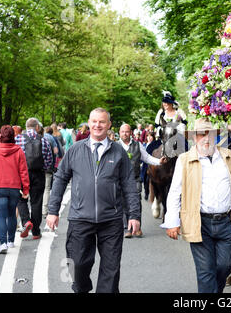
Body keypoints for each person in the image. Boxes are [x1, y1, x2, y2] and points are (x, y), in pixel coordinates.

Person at [161, 117, 231, 293]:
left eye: (209, 134)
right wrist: (172, 221)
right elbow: (175, 192)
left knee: (225, 265)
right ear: (194, 138)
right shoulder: (184, 160)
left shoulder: (227, 155)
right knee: (205, 272)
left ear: (214, 136)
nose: (205, 138)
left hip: (226, 222)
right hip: (200, 222)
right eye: (200, 135)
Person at [47, 108, 141, 293]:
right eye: (94, 121)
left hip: (111, 220)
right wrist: (52, 210)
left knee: (111, 271)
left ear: (109, 125)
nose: (98, 125)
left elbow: (130, 184)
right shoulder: (75, 150)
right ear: (89, 123)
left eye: (102, 122)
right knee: (77, 265)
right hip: (80, 218)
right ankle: (82, 287)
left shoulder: (119, 152)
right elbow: (59, 179)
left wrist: (134, 215)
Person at [117, 124, 165, 238]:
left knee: (136, 202)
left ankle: (137, 227)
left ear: (131, 133)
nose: (125, 134)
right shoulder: (114, 146)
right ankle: (126, 229)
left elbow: (147, 158)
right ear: (119, 132)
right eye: (123, 131)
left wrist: (159, 162)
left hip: (135, 179)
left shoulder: (138, 145)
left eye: (127, 131)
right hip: (120, 180)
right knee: (123, 203)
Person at [15, 118, 53, 240]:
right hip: (38, 174)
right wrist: (44, 168)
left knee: (21, 199)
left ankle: (26, 221)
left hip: (22, 174)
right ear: (37, 127)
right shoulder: (44, 141)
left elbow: (14, 159)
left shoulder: (18, 139)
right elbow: (49, 161)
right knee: (37, 202)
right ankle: (36, 232)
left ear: (26, 127)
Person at [0, 125, 30, 254]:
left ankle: (2, 244)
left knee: (0, 216)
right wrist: (25, 189)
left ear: (0, 136)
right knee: (11, 215)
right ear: (13, 136)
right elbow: (23, 171)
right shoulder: (18, 150)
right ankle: (11, 241)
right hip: (14, 187)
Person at [42, 126, 60, 217]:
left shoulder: (39, 137)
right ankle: (44, 210)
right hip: (48, 167)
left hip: (35, 167)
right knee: (47, 188)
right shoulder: (52, 138)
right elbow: (56, 151)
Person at [141, 131, 156, 201]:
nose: (149, 138)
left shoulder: (155, 145)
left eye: (151, 136)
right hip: (145, 165)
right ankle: (146, 192)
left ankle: (150, 193)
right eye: (148, 136)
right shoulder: (144, 144)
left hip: (152, 165)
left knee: (148, 180)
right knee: (144, 179)